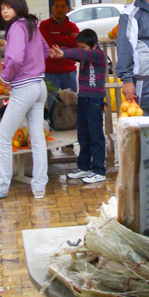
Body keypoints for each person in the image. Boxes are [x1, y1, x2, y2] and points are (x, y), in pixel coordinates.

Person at [0, 0, 50, 200]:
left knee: (2, 138)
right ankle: (38, 188)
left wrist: (6, 78)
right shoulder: (32, 24)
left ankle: (0, 189)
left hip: (24, 87)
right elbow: (44, 50)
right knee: (37, 139)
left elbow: (16, 58)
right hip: (39, 85)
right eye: (2, 8)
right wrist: (34, 65)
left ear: (19, 6)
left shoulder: (17, 27)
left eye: (9, 7)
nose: (5, 11)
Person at [50, 29, 107, 184]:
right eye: (80, 47)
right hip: (83, 99)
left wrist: (63, 53)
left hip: (95, 101)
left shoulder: (98, 55)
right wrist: (62, 52)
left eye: (85, 47)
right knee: (83, 135)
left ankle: (99, 170)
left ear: (94, 45)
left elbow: (80, 54)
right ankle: (84, 167)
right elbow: (78, 53)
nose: (82, 51)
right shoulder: (84, 55)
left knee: (96, 136)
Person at [38, 0, 79, 94]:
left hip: (69, 71)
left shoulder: (73, 26)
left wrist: (56, 37)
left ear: (68, 9)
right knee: (50, 105)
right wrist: (68, 37)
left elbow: (77, 44)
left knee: (71, 104)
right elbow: (47, 44)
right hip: (50, 72)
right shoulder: (44, 25)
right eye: (57, 6)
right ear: (52, 8)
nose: (59, 9)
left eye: (62, 6)